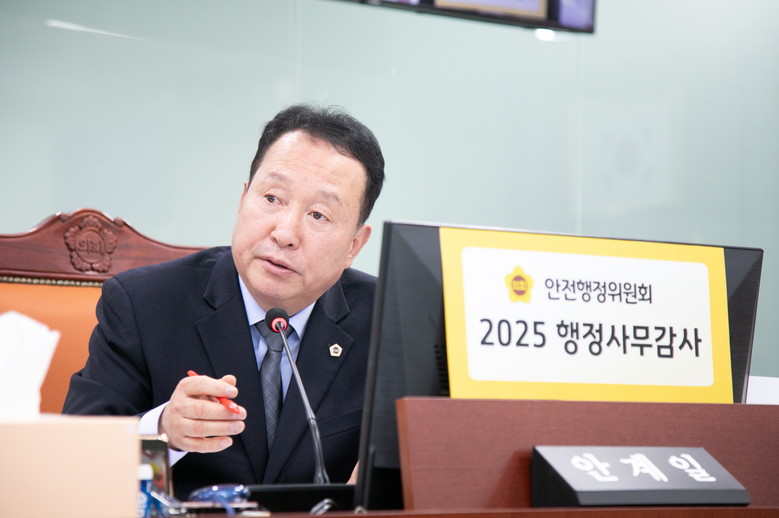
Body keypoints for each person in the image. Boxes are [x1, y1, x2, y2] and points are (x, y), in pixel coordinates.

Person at [63, 104, 385, 501]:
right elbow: (74, 460)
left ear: (354, 245)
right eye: (272, 198)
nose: (285, 233)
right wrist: (163, 432)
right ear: (243, 199)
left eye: (319, 215)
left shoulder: (390, 324)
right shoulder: (143, 304)